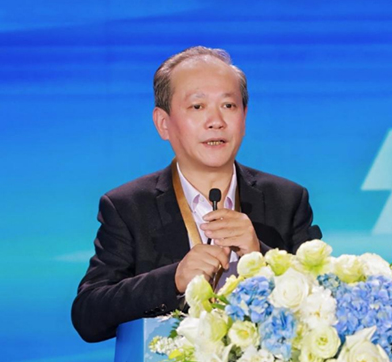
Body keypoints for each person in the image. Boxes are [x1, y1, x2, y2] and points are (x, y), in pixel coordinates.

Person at [72, 46, 315, 343]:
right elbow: (88, 316)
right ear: (163, 123)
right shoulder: (128, 207)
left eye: (228, 105)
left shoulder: (287, 200)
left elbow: (323, 302)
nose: (216, 121)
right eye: (197, 107)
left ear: (244, 117)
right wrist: (174, 279)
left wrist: (261, 258)